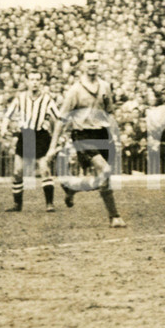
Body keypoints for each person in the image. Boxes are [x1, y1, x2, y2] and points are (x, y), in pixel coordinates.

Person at [45, 50, 127, 228]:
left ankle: (73, 188)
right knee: (104, 170)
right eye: (89, 61)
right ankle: (114, 217)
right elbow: (61, 119)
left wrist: (116, 136)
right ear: (82, 64)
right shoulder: (74, 90)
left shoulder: (105, 86)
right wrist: (52, 147)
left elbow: (110, 112)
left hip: (102, 133)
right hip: (83, 136)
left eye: (96, 60)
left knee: (103, 178)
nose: (93, 64)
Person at [0, 70, 60, 212]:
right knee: (17, 171)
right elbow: (8, 115)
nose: (34, 82)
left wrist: (60, 136)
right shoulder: (20, 98)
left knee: (44, 169)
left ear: (41, 82)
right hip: (25, 135)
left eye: (37, 79)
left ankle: (49, 204)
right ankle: (17, 204)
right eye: (32, 79)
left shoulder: (47, 99)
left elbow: (59, 119)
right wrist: (3, 127)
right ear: (27, 81)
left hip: (40, 136)